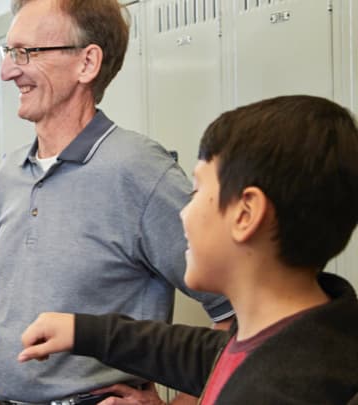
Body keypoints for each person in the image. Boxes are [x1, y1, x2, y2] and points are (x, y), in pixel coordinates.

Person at [18, 95, 358, 404]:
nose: (183, 212)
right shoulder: (293, 340)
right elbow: (199, 353)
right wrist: (82, 331)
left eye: (196, 193)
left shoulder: (279, 391)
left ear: (246, 214)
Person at [0, 1, 233, 404]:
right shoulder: (10, 172)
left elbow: (239, 305)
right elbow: (12, 306)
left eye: (26, 53)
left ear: (87, 63)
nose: (8, 70)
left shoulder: (137, 171)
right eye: (9, 52)